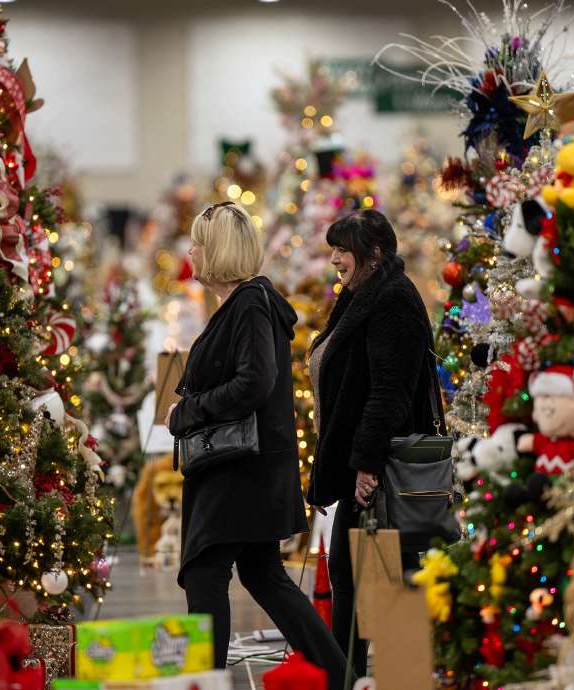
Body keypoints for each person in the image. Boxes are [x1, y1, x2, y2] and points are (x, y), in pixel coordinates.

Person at [167, 201, 346, 687]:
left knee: (206, 572)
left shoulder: (248, 305)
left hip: (240, 470)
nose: (191, 252)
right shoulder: (246, 304)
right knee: (262, 573)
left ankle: (207, 681)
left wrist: (186, 411)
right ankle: (336, 674)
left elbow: (254, 383)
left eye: (199, 243)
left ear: (217, 250)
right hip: (249, 467)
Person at [306, 209, 443, 678]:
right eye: (334, 250)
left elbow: (390, 391)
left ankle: (386, 677)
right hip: (366, 467)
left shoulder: (393, 300)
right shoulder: (363, 293)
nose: (334, 260)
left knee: (383, 583)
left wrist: (366, 463)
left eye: (342, 250)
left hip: (384, 470)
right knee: (355, 580)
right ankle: (356, 678)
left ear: (374, 253)